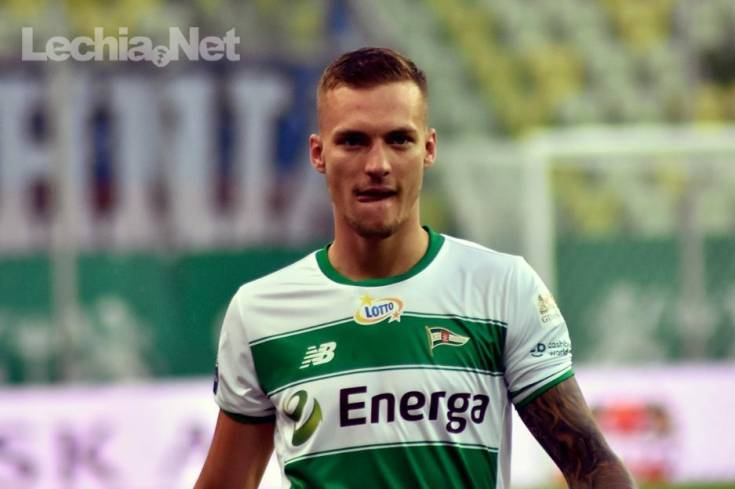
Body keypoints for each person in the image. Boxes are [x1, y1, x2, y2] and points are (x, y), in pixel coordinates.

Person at [195, 47, 635, 489]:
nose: (377, 165)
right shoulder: (260, 312)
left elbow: (593, 465)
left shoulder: (502, 288)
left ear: (428, 148)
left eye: (399, 140)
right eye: (353, 141)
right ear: (318, 153)